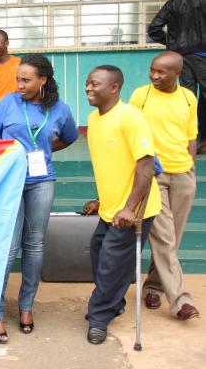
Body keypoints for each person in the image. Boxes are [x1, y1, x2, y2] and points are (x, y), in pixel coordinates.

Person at [0, 54, 78, 343]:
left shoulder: (60, 109)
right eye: (18, 79)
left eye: (26, 80)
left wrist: (44, 151)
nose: (19, 84)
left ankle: (26, 307)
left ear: (43, 80)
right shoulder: (7, 103)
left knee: (34, 245)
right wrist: (11, 155)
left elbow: (69, 137)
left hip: (42, 181)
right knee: (9, 246)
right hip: (10, 183)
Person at [82, 65, 161, 345]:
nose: (88, 88)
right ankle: (113, 302)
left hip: (133, 209)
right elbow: (112, 165)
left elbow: (145, 167)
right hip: (110, 206)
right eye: (87, 84)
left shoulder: (131, 118)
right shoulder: (93, 119)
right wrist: (101, 200)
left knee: (111, 264)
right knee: (98, 251)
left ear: (114, 87)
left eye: (95, 84)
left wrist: (129, 209)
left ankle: (99, 316)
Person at [128, 51, 200, 320]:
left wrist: (190, 164)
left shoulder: (188, 97)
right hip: (153, 175)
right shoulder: (141, 95)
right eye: (152, 70)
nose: (154, 76)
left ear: (177, 74)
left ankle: (154, 286)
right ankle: (181, 301)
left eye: (162, 72)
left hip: (183, 175)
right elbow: (130, 131)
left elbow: (192, 135)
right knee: (166, 238)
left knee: (173, 239)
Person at [147, 0, 206, 154]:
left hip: (180, 58)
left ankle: (191, 141)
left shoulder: (173, 3)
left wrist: (171, 43)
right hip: (203, 56)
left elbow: (154, 28)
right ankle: (203, 140)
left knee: (187, 98)